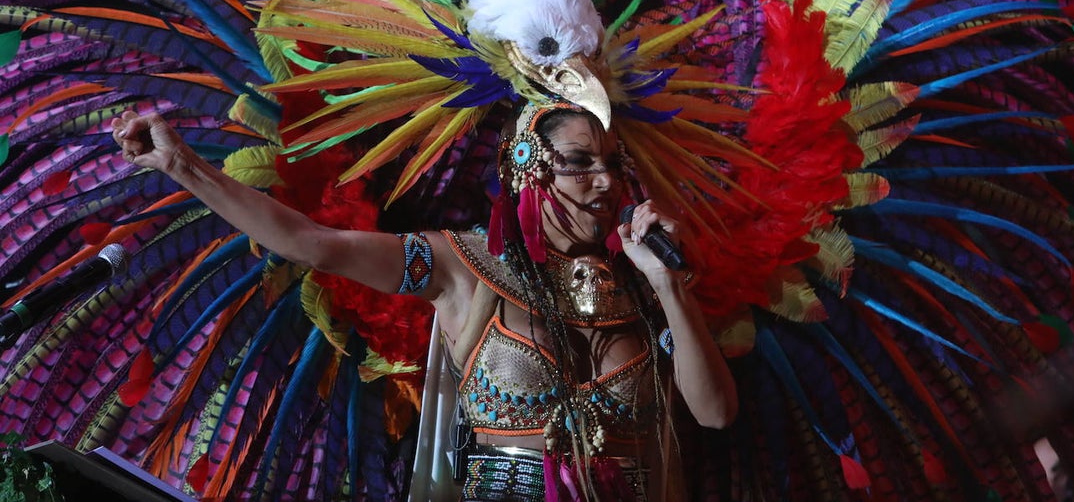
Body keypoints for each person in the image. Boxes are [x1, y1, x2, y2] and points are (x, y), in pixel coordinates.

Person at [110, 101, 738, 502]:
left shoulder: (642, 288)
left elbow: (715, 414)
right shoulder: (462, 266)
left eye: (612, 165)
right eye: (579, 163)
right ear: (527, 167)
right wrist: (185, 166)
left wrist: (667, 285)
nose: (604, 181)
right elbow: (315, 245)